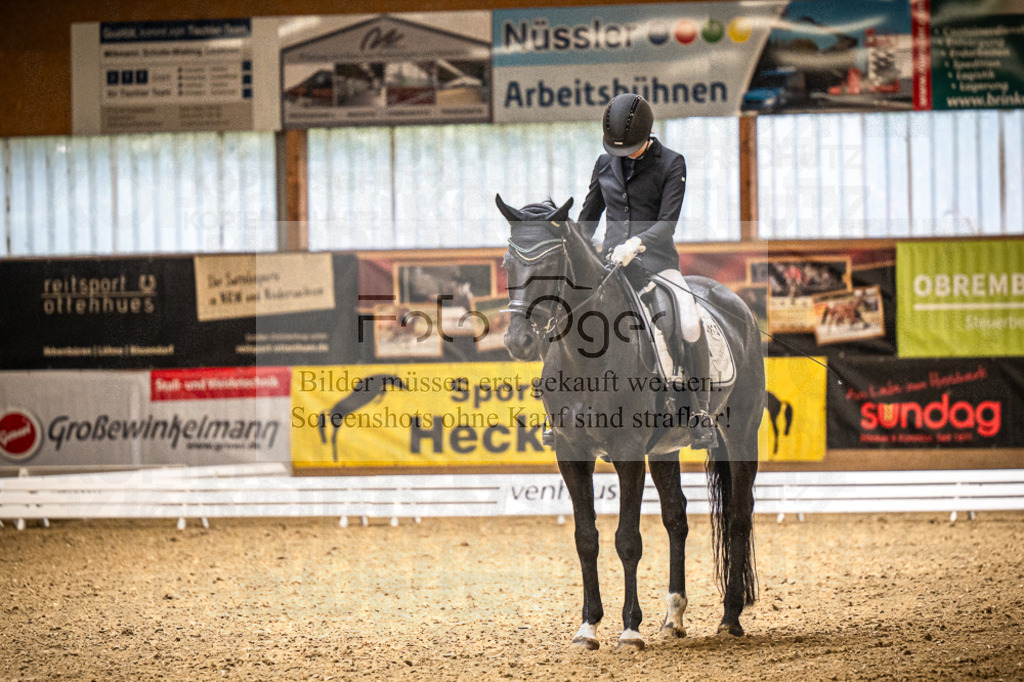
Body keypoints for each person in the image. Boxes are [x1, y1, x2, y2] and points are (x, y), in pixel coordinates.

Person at [576, 93, 718, 448]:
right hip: (608, 265)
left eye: (631, 150)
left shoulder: (672, 163)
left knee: (687, 321)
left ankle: (698, 410)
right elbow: (589, 217)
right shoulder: (604, 162)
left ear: (648, 136)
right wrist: (576, 249)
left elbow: (667, 224)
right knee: (569, 316)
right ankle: (562, 408)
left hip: (655, 262)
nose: (623, 157)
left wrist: (636, 243)